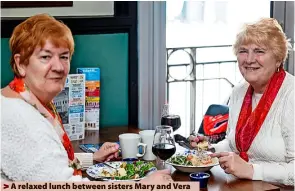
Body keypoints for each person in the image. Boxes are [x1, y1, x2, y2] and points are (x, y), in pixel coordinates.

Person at [1, 14, 173, 182]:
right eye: (45, 57)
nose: (59, 67)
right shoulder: (22, 120)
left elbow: (44, 163)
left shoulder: (19, 99)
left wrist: (92, 158)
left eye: (64, 57)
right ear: (21, 64)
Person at [190, 18, 294, 186]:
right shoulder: (239, 91)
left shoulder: (291, 96)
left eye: (259, 51)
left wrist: (252, 170)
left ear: (278, 59)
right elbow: (234, 146)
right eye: (243, 51)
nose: (249, 59)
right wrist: (207, 150)